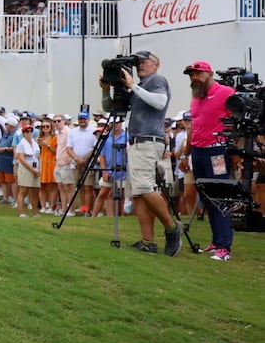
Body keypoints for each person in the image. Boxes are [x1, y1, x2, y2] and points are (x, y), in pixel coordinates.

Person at [100, 51, 181, 255]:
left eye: (144, 62)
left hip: (148, 140)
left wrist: (132, 86)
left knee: (144, 187)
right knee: (138, 193)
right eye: (138, 63)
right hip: (136, 141)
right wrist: (105, 90)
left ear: (156, 64)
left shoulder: (157, 80)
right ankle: (148, 241)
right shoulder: (140, 86)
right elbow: (112, 108)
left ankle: (172, 227)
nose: (140, 65)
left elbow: (160, 102)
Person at [182, 61, 237, 261]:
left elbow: (237, 119)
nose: (194, 78)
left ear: (210, 73)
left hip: (217, 151)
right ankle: (216, 241)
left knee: (220, 197)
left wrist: (235, 151)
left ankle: (224, 247)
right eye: (191, 75)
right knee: (207, 197)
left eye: (198, 73)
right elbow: (194, 129)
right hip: (198, 151)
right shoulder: (196, 98)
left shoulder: (225, 92)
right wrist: (185, 154)